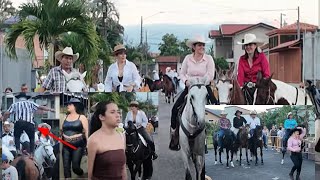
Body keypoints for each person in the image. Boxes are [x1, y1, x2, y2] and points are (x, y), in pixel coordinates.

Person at [169, 35, 219, 151]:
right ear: (194, 47)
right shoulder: (187, 58)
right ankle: (174, 136)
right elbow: (182, 73)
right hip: (190, 87)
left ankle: (208, 138)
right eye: (200, 45)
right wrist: (186, 81)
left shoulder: (209, 59)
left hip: (204, 87)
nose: (202, 47)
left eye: (203, 45)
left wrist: (201, 82)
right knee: (175, 109)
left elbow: (211, 75)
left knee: (215, 107)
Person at [2, 92, 54, 157]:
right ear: (26, 98)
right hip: (29, 123)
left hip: (19, 122)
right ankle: (32, 153)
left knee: (17, 136)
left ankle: (18, 150)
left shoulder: (15, 104)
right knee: (32, 138)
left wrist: (4, 119)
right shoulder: (30, 103)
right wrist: (50, 109)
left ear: (18, 98)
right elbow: (40, 107)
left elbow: (7, 113)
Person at [88, 101, 127, 180]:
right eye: (112, 112)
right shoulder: (93, 140)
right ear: (102, 117)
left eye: (118, 112)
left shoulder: (121, 136)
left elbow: (123, 169)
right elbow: (89, 174)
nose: (118, 115)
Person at [237, 33, 270, 104]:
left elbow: (266, 74)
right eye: (246, 45)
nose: (248, 47)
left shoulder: (262, 57)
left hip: (259, 87)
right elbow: (240, 75)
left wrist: (260, 85)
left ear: (255, 46)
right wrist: (240, 86)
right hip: (246, 87)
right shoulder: (242, 59)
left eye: (250, 45)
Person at [62, 98, 88, 178]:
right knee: (66, 168)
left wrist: (88, 144)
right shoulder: (65, 117)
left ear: (75, 106)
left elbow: (87, 131)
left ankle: (82, 175)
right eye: (67, 104)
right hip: (66, 144)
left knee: (75, 167)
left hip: (77, 145)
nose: (68, 106)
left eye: (70, 104)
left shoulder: (82, 117)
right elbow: (62, 130)